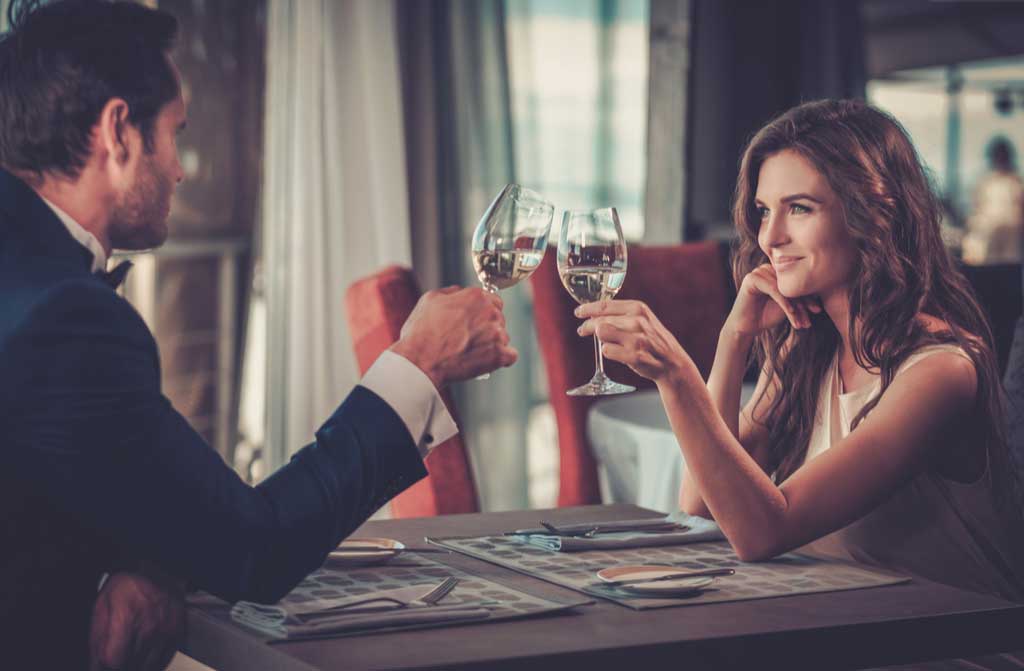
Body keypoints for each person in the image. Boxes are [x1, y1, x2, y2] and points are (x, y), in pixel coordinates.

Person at [0, 1, 517, 669]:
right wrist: (416, 362)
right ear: (119, 133)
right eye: (175, 134)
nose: (182, 168)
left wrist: (145, 561)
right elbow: (255, 547)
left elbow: (70, 482)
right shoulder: (66, 318)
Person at [577, 99, 1024, 604]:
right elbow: (701, 507)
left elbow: (763, 531)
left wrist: (677, 376)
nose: (770, 236)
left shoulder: (940, 370)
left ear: (873, 213)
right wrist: (734, 338)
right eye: (765, 211)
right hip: (846, 632)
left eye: (800, 208)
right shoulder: (807, 355)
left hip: (951, 650)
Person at [962, 137, 1024, 265]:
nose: (1000, 158)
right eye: (998, 155)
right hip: (988, 237)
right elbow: (976, 210)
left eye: (1003, 155)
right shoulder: (984, 182)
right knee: (992, 267)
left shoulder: (1016, 182)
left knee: (1010, 265)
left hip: (1012, 238)